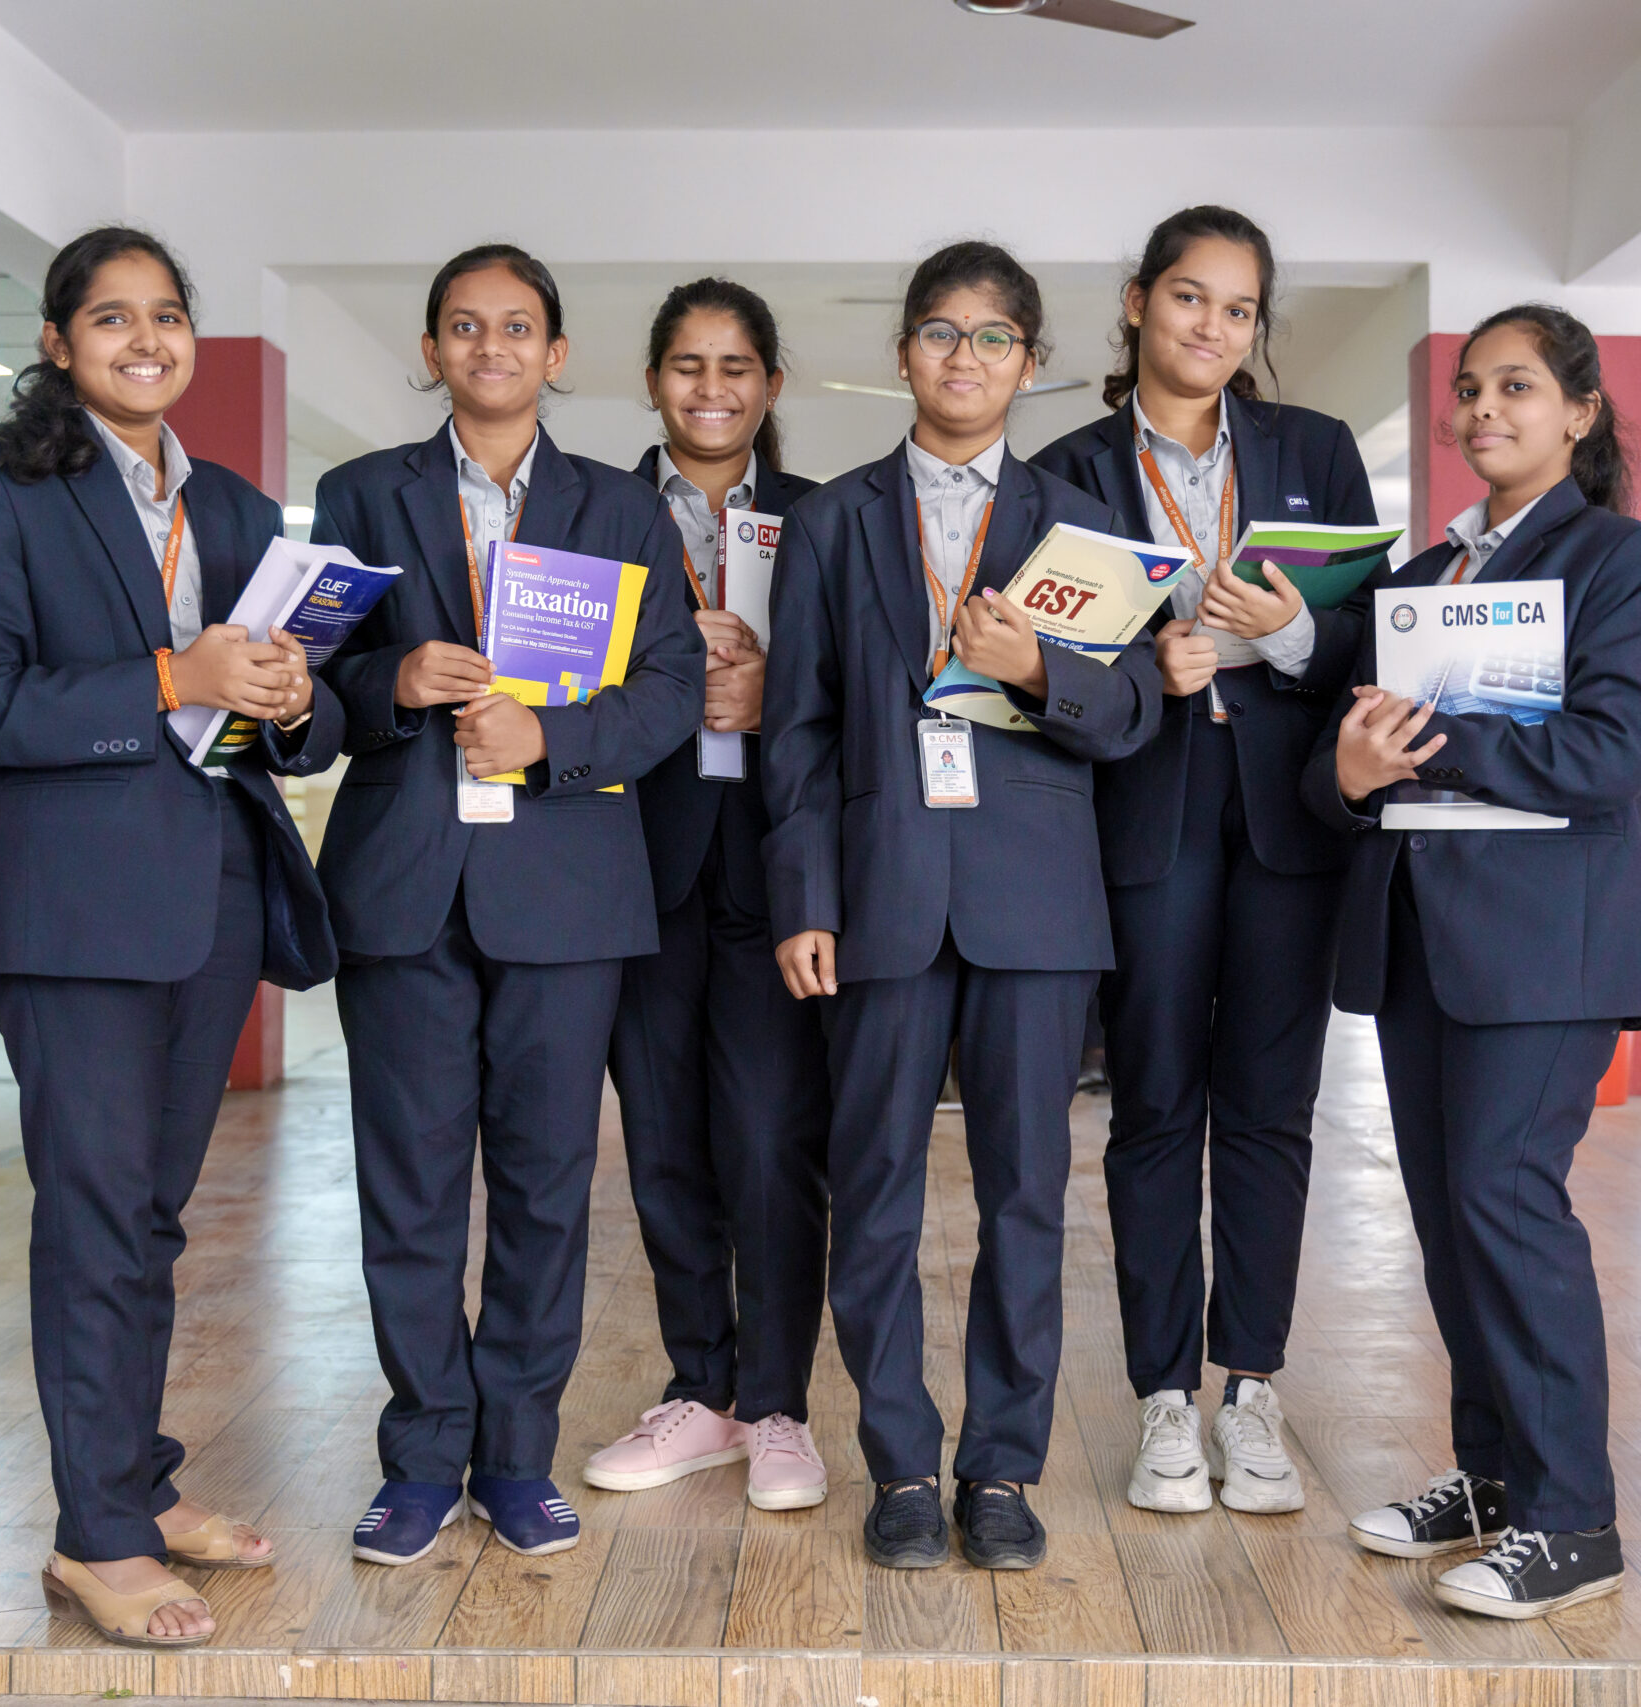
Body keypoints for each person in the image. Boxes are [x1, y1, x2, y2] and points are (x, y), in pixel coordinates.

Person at [0, 227, 342, 1648]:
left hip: (210, 894)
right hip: (74, 913)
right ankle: (96, 1537)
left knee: (151, 1217)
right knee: (96, 1216)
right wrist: (171, 672)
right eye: (112, 317)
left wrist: (294, 698)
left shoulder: (231, 504)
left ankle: (135, 1485)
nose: (145, 340)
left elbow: (301, 711)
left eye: (167, 316)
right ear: (59, 342)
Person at [763, 241, 1164, 1572]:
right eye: (941, 331)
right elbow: (798, 727)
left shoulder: (1082, 522)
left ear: (1029, 363)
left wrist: (1037, 666)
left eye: (994, 337)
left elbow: (1130, 714)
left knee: (1027, 1196)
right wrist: (804, 896)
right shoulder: (832, 521)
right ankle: (898, 1463)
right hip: (880, 890)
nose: (965, 356)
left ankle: (1000, 1466)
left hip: (1034, 904)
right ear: (903, 354)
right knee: (873, 1188)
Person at [310, 243, 704, 1565]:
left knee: (545, 1188)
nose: (491, 347)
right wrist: (390, 682)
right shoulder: (359, 493)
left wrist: (554, 740)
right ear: (431, 351)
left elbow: (670, 687)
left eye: (517, 326)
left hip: (566, 891)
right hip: (404, 887)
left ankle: (518, 1456)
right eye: (465, 327)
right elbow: (308, 685)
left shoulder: (622, 509)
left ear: (557, 353)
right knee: (409, 1189)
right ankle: (424, 1454)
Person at [1305, 304, 1641, 1618]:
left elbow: (1608, 752)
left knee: (1506, 1205)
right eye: (1470, 388)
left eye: (1516, 387)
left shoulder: (1625, 561)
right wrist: (1352, 772)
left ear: (1578, 412)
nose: (1482, 409)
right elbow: (1340, 771)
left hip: (1542, 952)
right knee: (1451, 1218)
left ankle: (1571, 1520)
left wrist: (1432, 736)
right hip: (1419, 941)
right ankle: (1492, 1476)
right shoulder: (1419, 579)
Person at [1032, 207, 1375, 1518]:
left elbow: (1369, 642)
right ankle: (1164, 1395)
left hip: (1287, 823)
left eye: (1239, 309)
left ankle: (1252, 1389)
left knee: (1273, 1110)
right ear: (1137, 302)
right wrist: (1141, 668)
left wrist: (1289, 638)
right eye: (1190, 298)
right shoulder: (1063, 470)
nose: (1212, 328)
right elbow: (1038, 666)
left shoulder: (1316, 451)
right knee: (1157, 1106)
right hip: (1147, 817)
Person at [586, 279, 834, 1512]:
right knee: (664, 1141)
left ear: (770, 384)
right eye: (687, 365)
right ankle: (703, 1390)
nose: (711, 388)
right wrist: (677, 685)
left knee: (772, 1140)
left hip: (781, 865)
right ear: (652, 381)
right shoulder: (594, 515)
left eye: (736, 366)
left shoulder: (825, 517)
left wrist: (775, 685)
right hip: (633, 860)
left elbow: (868, 680)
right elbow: (556, 679)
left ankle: (778, 1405)